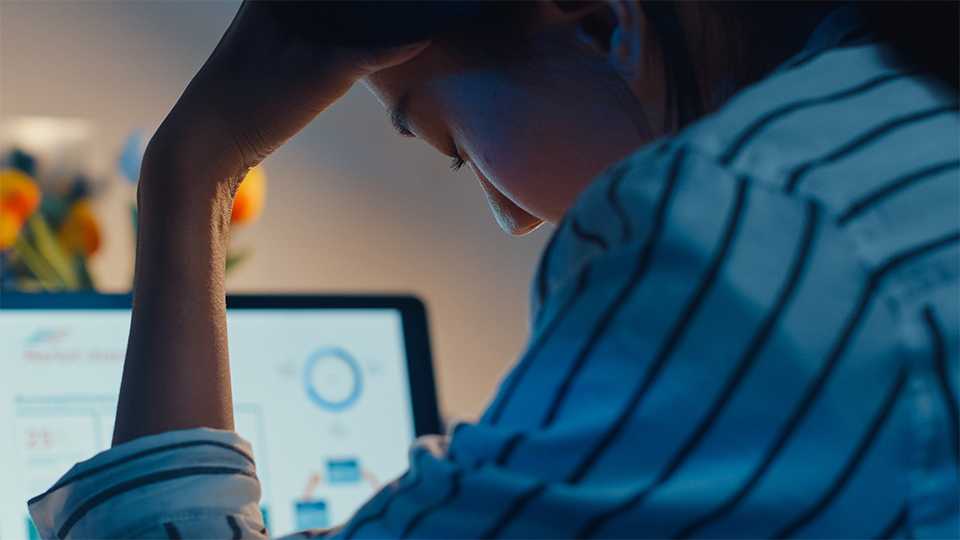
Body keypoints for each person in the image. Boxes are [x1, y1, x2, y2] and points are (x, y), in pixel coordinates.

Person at [27, 1, 959, 538]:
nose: (511, 219)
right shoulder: (901, 114)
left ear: (602, 25)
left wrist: (193, 165)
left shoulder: (747, 218)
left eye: (452, 147)